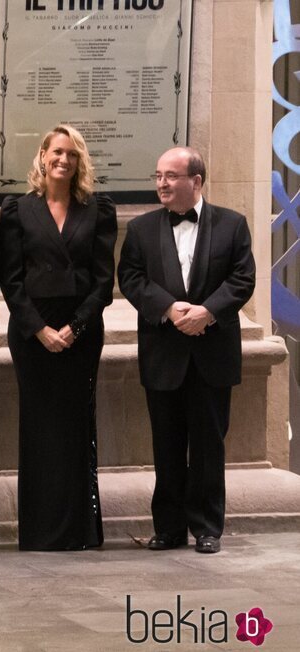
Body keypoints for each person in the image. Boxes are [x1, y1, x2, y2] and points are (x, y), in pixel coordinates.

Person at [118, 147, 255, 555]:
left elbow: (242, 279)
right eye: (158, 175)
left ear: (196, 182)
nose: (161, 183)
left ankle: (208, 527)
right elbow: (130, 277)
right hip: (164, 354)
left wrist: (207, 312)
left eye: (171, 176)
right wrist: (168, 308)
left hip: (212, 354)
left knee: (209, 445)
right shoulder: (141, 229)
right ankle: (169, 528)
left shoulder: (233, 225)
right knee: (167, 444)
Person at [0, 125, 117, 551]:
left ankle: (78, 530)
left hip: (80, 331)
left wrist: (75, 327)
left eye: (71, 154)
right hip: (33, 333)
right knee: (38, 426)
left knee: (74, 425)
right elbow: (10, 280)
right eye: (56, 152)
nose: (63, 160)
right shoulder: (17, 210)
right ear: (43, 156)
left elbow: (104, 281)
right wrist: (40, 330)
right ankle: (39, 531)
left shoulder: (98, 210)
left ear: (80, 161)